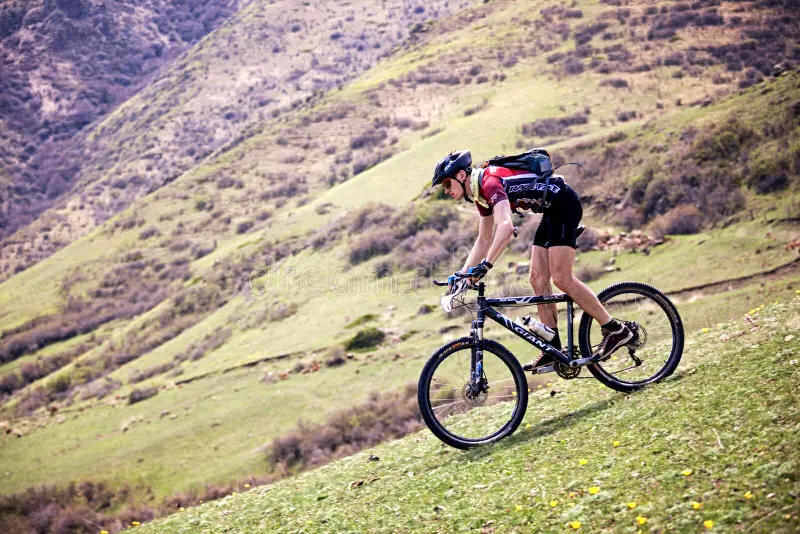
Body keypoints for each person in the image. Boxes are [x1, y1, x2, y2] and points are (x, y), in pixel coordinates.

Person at [431, 150, 632, 370]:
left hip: (565, 205)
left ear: (461, 175)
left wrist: (486, 265)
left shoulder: (489, 183)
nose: (446, 190)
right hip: (551, 211)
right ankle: (552, 348)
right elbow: (484, 239)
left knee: (562, 278)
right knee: (537, 279)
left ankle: (615, 329)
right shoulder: (479, 194)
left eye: (447, 183)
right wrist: (463, 274)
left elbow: (506, 226)